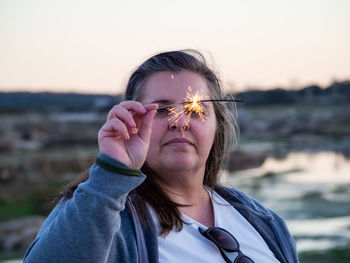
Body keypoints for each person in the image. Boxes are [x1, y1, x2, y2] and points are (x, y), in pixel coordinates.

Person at [23, 50, 298, 263]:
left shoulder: (263, 221)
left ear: (218, 126)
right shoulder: (101, 214)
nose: (180, 122)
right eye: (162, 111)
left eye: (196, 110)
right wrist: (112, 173)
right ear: (131, 120)